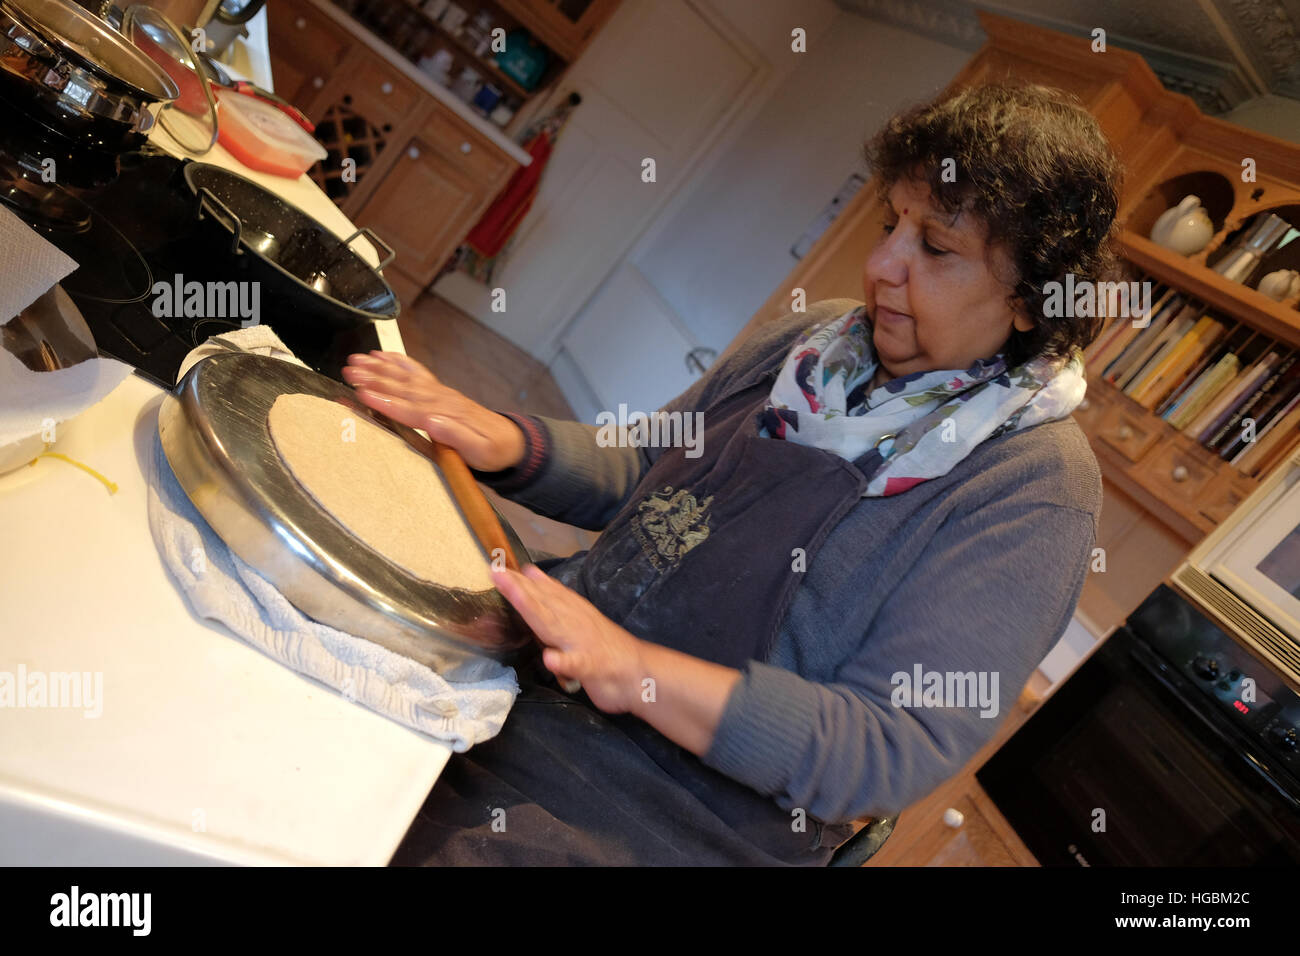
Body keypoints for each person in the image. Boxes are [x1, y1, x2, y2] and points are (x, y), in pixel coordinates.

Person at [341, 83, 1118, 866]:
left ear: (1031, 298)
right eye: (891, 225)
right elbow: (647, 465)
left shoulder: (1035, 486)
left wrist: (635, 671)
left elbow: (886, 745)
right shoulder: (814, 342)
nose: (882, 264)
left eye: (937, 249)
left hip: (670, 816)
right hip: (545, 674)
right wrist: (503, 440)